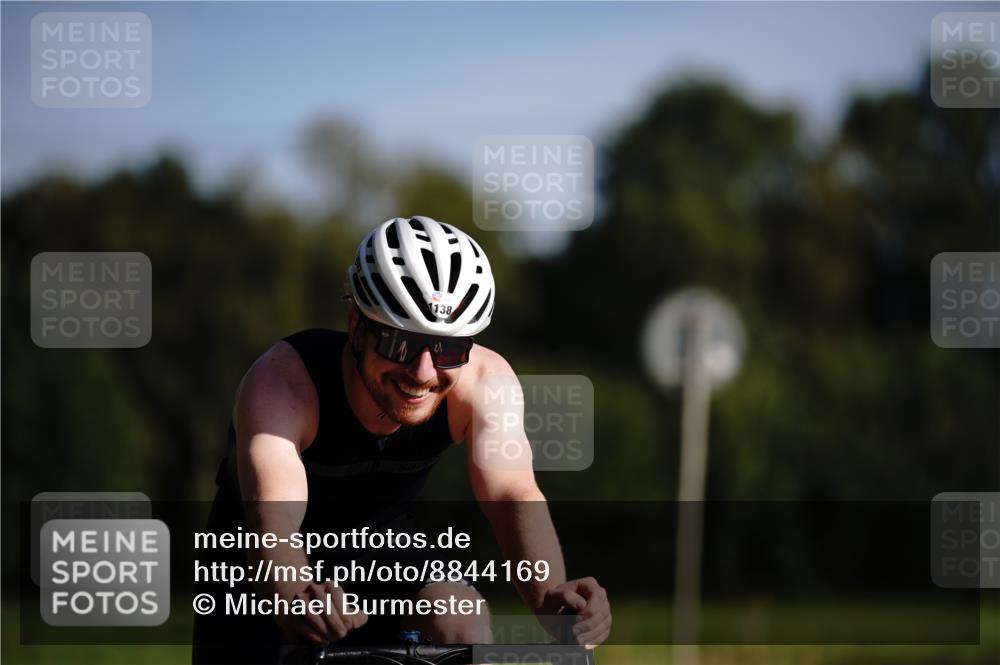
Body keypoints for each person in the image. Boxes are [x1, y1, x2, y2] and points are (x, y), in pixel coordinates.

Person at [191, 216, 611, 664]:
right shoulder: (282, 385)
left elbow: (511, 495)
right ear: (356, 327)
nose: (423, 373)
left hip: (382, 545)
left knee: (459, 620)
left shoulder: (485, 382)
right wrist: (295, 593)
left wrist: (552, 598)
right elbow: (274, 522)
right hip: (262, 558)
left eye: (449, 348)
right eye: (399, 342)